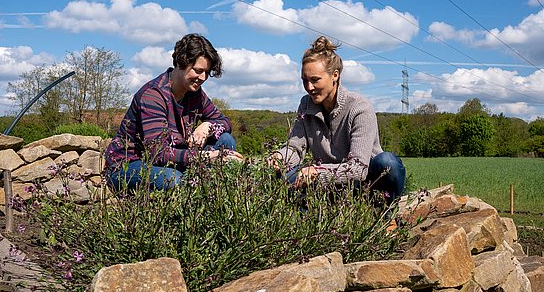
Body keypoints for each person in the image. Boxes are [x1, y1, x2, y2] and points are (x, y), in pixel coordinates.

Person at [267, 36, 405, 202]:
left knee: (388, 162)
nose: (309, 88)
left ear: (335, 75)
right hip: (330, 184)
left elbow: (359, 168)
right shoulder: (306, 105)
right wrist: (279, 158)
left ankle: (386, 213)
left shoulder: (359, 108)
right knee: (284, 175)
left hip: (366, 182)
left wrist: (317, 171)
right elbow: (296, 148)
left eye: (315, 80)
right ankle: (306, 217)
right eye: (305, 81)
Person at [104, 33, 243, 191]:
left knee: (226, 141)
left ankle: (210, 194)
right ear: (181, 62)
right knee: (173, 180)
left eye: (207, 72)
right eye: (198, 70)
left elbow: (225, 122)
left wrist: (208, 126)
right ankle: (192, 190)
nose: (203, 77)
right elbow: (158, 154)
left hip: (171, 160)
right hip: (129, 165)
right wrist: (208, 157)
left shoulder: (195, 93)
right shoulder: (153, 95)